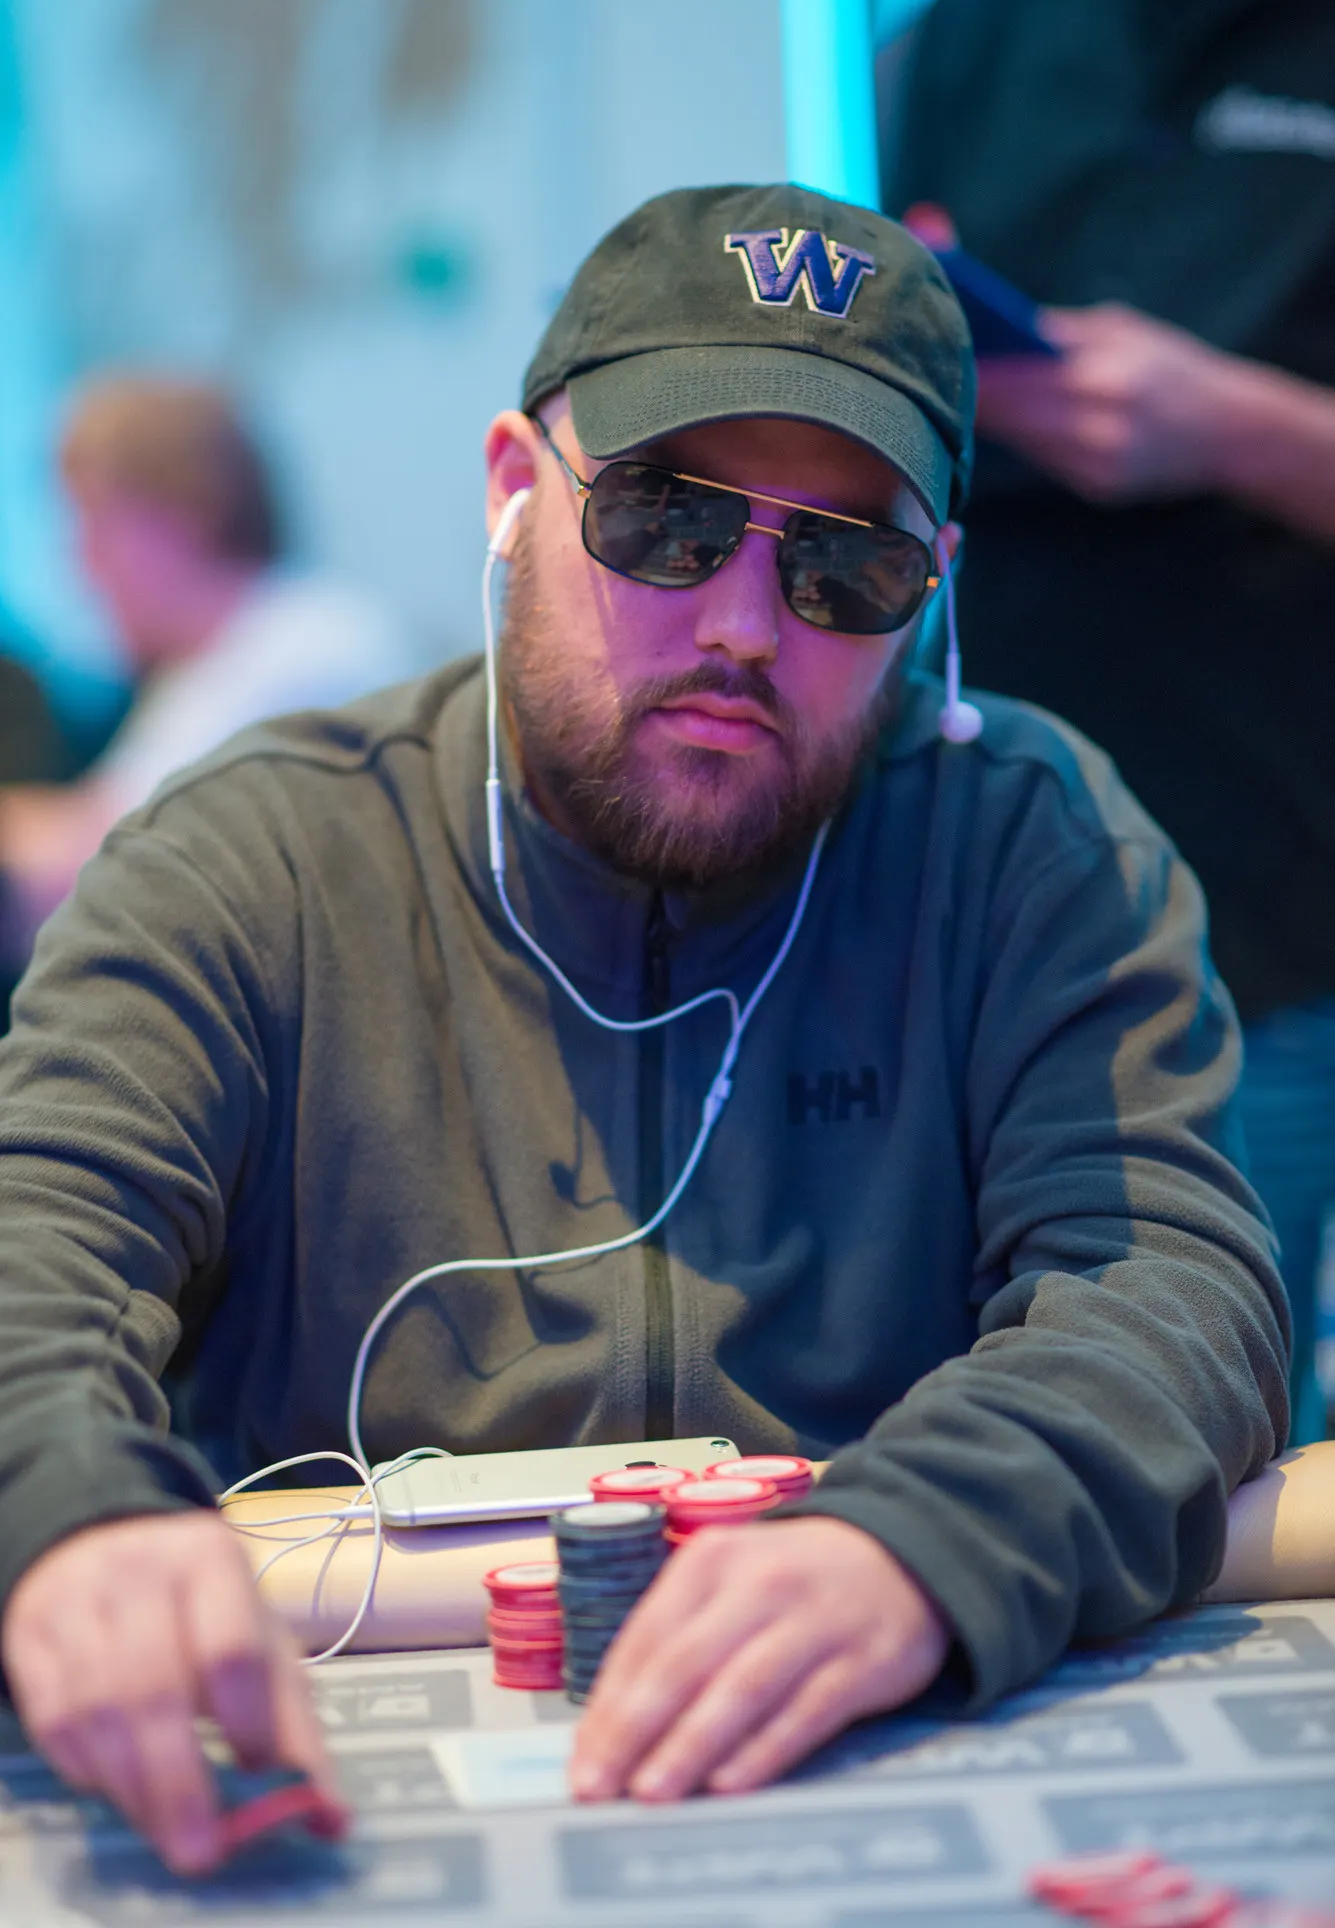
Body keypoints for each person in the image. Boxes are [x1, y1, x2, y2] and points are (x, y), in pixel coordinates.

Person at [0, 185, 1287, 1876]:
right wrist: (67, 1510)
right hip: (337, 1759)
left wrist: (921, 1540)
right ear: (512, 490)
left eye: (845, 564)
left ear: (933, 593)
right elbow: (37, 1238)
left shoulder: (1026, 844)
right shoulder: (258, 854)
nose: (744, 626)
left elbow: (1171, 1286)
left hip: (871, 1740)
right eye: (666, 521)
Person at [883, 0, 1335, 1439]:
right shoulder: (987, 16)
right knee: (980, 1372)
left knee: (1220, 1417)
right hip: (992, 860)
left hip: (1282, 887)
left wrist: (1235, 429)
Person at [0, 376, 420, 952]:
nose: (80, 558)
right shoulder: (205, 669)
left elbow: (105, 874)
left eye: (94, 520)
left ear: (187, 512)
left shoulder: (307, 645)